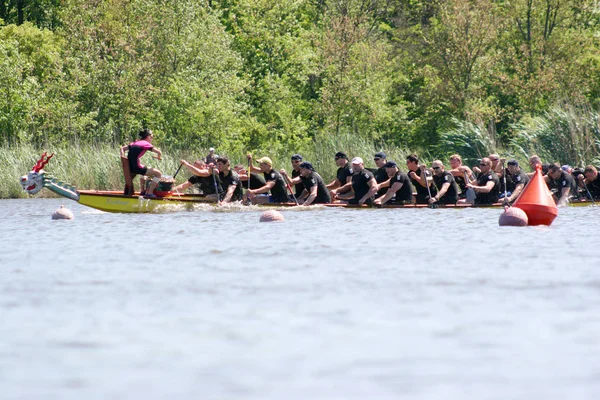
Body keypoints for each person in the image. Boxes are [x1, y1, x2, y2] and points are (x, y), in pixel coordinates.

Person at [120, 129, 162, 197]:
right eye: (151, 137)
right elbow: (159, 152)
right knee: (158, 174)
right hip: (137, 167)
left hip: (130, 167)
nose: (152, 138)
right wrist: (159, 157)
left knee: (143, 174)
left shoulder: (135, 143)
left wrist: (122, 156)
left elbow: (122, 148)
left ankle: (142, 191)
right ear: (148, 137)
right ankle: (149, 193)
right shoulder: (146, 143)